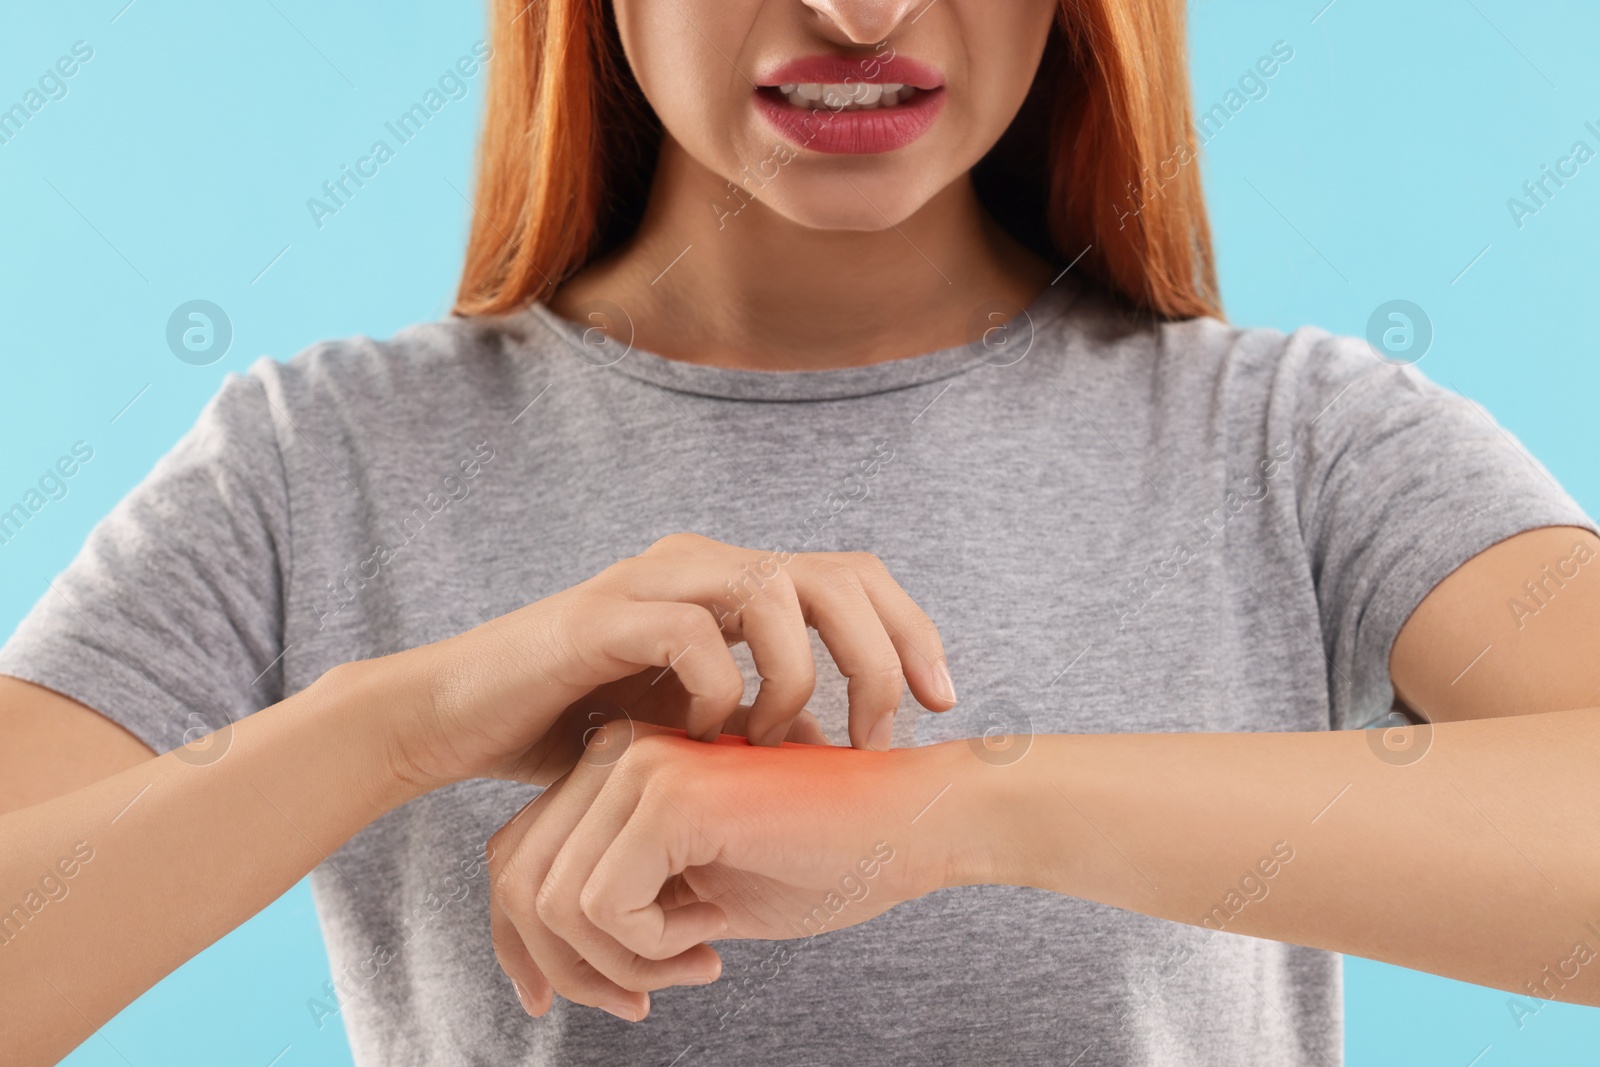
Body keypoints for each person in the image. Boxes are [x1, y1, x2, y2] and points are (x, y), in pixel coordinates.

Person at [3, 0, 1598, 1064]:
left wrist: (955, 811)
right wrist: (401, 722)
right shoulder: (315, 460)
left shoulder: (1298, 441)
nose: (857, 8)